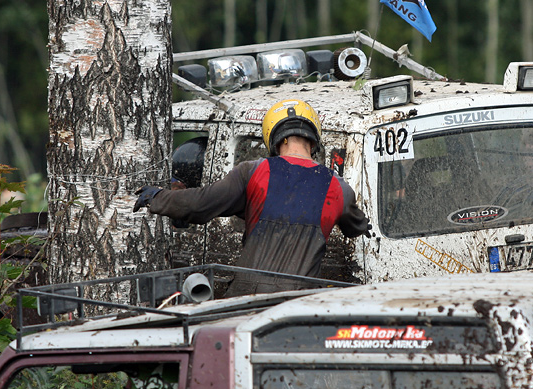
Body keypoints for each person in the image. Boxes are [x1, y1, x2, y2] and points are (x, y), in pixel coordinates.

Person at [133, 99, 370, 290]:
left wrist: (158, 197)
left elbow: (201, 204)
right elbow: (355, 226)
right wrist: (361, 225)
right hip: (300, 303)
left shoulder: (254, 172)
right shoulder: (338, 188)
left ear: (275, 138)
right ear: (313, 139)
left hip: (249, 299)